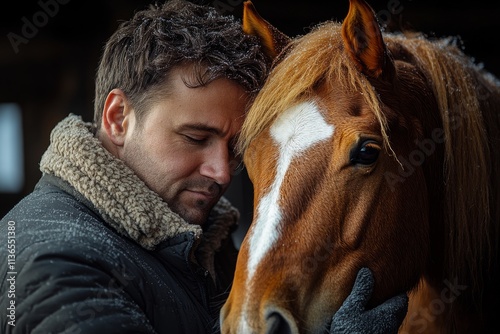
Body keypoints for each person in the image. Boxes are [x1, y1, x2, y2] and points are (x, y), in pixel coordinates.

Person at [0, 0, 407, 333]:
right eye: (196, 138)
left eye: (234, 148)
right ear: (118, 118)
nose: (223, 173)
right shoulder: (54, 262)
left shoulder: (200, 244)